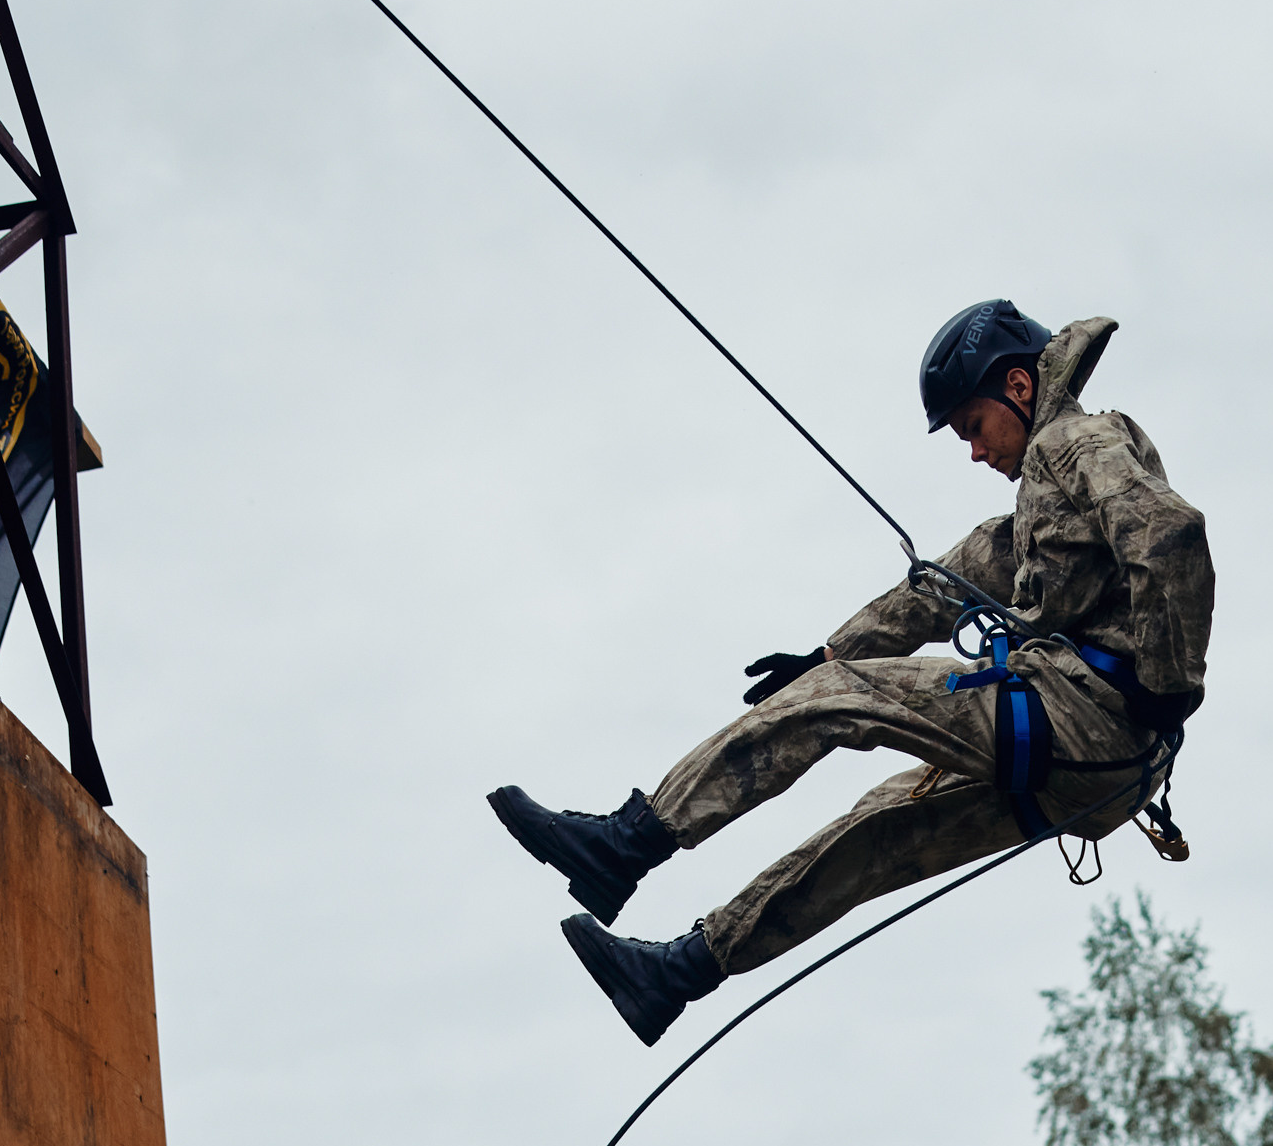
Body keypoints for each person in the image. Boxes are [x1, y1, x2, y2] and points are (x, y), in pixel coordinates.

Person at [489, 301, 1215, 1045]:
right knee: (877, 836)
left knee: (840, 703)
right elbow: (942, 585)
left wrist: (1165, 688)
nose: (973, 451)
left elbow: (1170, 532)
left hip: (1091, 721)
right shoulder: (1038, 514)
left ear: (1020, 389)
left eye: (972, 425)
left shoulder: (1076, 442)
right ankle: (677, 973)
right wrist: (833, 652)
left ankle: (629, 842)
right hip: (1108, 773)